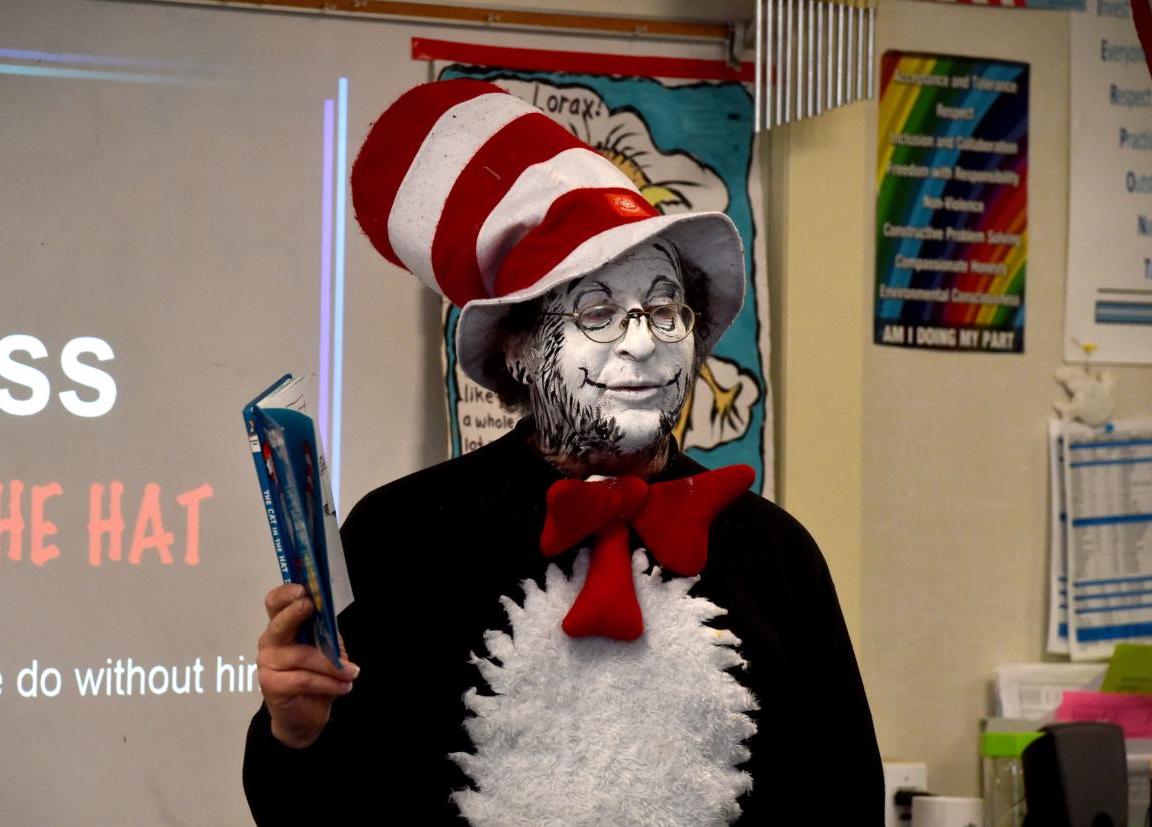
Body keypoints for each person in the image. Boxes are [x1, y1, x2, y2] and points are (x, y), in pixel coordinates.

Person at [243, 79, 883, 825]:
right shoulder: (404, 534)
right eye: (599, 311)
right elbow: (316, 814)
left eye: (666, 309)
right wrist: (296, 735)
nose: (643, 341)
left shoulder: (776, 554)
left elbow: (844, 801)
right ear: (517, 345)